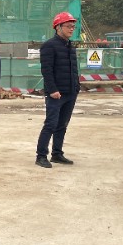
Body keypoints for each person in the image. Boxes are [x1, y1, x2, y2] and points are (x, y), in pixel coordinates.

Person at [34, 12, 80, 168]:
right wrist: (52, 90)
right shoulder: (49, 46)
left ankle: (57, 154)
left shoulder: (70, 46)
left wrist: (76, 87)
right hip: (56, 94)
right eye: (68, 26)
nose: (71, 29)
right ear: (58, 27)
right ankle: (41, 156)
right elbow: (46, 70)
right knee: (51, 124)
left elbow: (73, 69)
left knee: (62, 125)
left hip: (70, 92)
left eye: (73, 26)